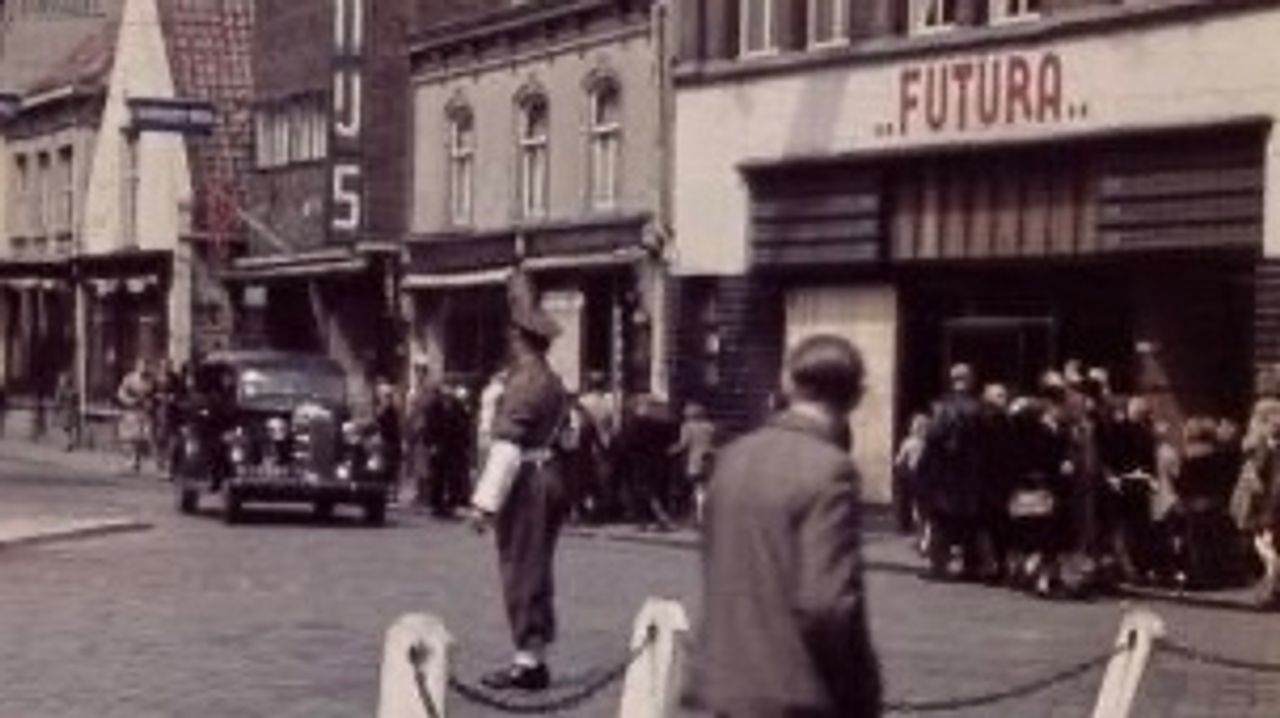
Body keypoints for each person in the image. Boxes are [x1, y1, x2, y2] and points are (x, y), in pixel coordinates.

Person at [684, 334, 881, 717]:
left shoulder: (734, 457)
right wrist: (858, 695)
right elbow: (826, 603)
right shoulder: (830, 469)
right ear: (857, 396)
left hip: (722, 685)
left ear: (788, 385)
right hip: (793, 693)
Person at [466, 270, 570, 692]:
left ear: (520, 338)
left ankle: (528, 663)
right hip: (548, 475)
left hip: (528, 481)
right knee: (536, 566)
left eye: (512, 335)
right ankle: (533, 654)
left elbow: (507, 446)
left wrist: (484, 505)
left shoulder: (526, 382)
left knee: (521, 567)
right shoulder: (551, 380)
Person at [918, 363, 984, 581]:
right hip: (971, 473)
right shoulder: (978, 407)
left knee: (941, 521)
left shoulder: (944, 407)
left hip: (946, 474)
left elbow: (933, 437)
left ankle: (939, 566)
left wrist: (926, 467)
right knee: (969, 523)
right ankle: (971, 567)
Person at [670, 402, 716, 525]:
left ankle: (700, 517)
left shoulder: (687, 427)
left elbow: (683, 444)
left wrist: (671, 450)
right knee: (705, 488)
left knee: (698, 488)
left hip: (695, 460)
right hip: (710, 459)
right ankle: (705, 514)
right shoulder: (710, 426)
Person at [117, 359, 154, 473]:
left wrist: (150, 402)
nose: (144, 368)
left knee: (143, 436)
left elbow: (153, 394)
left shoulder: (151, 380)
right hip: (132, 411)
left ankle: (137, 459)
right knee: (131, 437)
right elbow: (121, 393)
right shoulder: (129, 379)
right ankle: (131, 460)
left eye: (146, 366)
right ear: (137, 366)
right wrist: (130, 400)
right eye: (141, 366)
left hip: (145, 411)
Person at [54, 370, 80, 451]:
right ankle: (70, 442)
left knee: (66, 428)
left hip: (65, 410)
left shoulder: (61, 390)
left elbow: (58, 401)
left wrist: (57, 409)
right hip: (71, 410)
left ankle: (69, 443)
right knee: (69, 428)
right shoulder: (73, 390)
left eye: (62, 380)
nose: (61, 381)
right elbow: (76, 400)